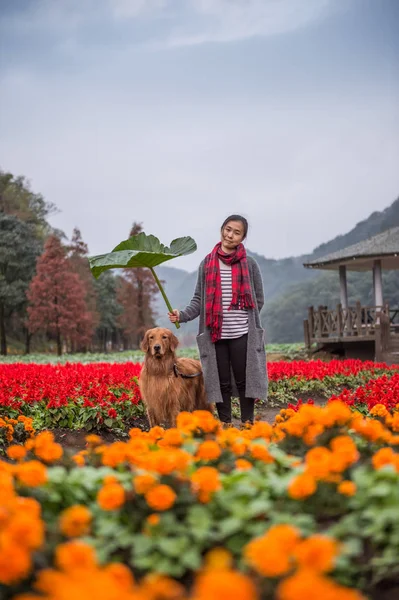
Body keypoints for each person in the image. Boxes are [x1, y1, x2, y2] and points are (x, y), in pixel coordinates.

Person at [168, 215, 267, 424]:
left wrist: (240, 315)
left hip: (242, 333)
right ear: (222, 229)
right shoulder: (207, 264)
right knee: (220, 381)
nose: (230, 235)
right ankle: (226, 424)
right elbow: (199, 300)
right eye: (227, 229)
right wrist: (182, 315)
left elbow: (258, 298)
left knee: (244, 380)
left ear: (243, 238)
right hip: (216, 333)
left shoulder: (250, 264)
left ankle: (248, 423)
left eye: (236, 232)